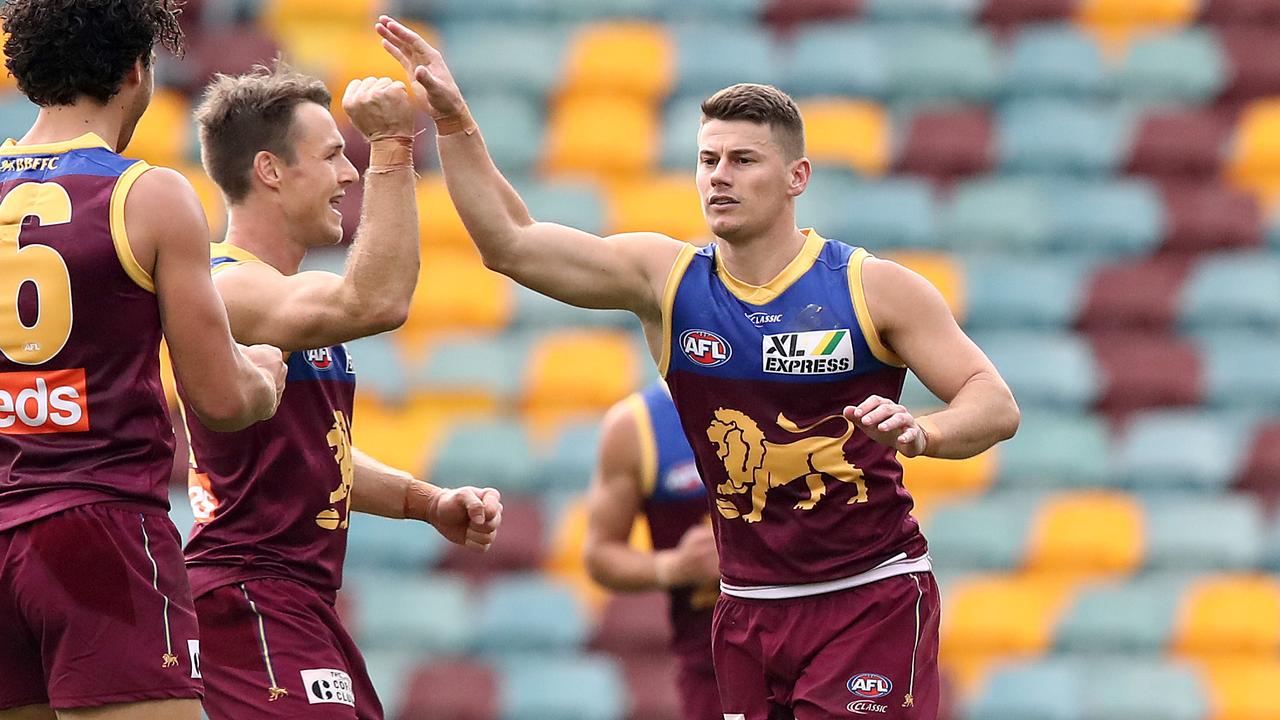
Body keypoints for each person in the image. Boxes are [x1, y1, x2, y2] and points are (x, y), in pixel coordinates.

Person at [379, 15, 1020, 719]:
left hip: (866, 599)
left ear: (796, 177)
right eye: (708, 160)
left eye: (743, 160)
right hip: (745, 610)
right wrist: (451, 117)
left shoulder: (873, 288)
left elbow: (994, 403)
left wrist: (922, 430)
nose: (720, 177)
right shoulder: (669, 280)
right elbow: (510, 244)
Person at [181, 60, 503, 720]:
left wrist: (427, 502)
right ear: (270, 170)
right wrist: (390, 144)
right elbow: (380, 300)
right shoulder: (231, 289)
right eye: (332, 156)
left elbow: (315, 458)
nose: (348, 174)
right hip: (247, 595)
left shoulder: (286, 298)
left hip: (293, 601)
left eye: (349, 156)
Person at [0, 1, 288, 719]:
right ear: (136, 70)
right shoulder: (150, 195)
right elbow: (220, 399)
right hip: (99, 532)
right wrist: (265, 377)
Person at [585, 380, 721, 719]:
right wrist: (676, 567)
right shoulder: (637, 423)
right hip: (713, 665)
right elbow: (600, 554)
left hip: (816, 644)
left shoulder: (801, 385)